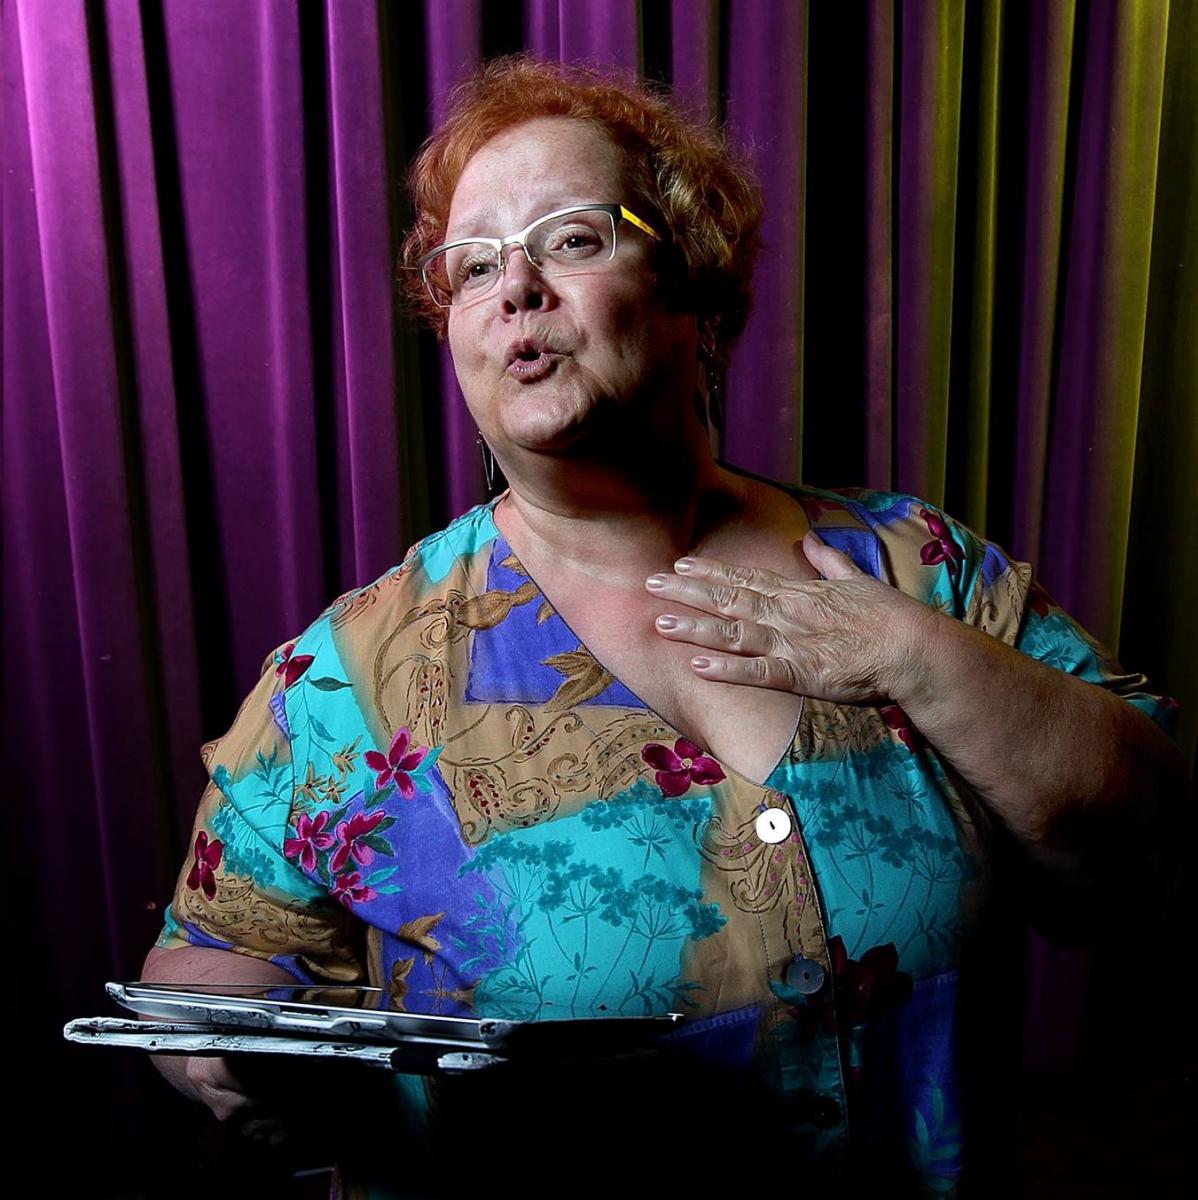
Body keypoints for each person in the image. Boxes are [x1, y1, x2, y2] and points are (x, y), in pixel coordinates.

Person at [142, 57, 1183, 1196]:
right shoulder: (347, 677)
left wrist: (919, 659)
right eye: (474, 265)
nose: (515, 287)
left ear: (693, 280)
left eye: (572, 239)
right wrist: (232, 1059)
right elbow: (210, 958)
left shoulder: (916, 563)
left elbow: (1144, 834)